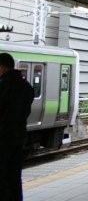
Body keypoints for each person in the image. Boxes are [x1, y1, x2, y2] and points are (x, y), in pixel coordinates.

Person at [0, 52, 34, 201]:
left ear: (2, 68)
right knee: (15, 176)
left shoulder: (3, 86)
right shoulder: (26, 87)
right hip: (19, 137)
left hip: (2, 139)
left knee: (2, 177)